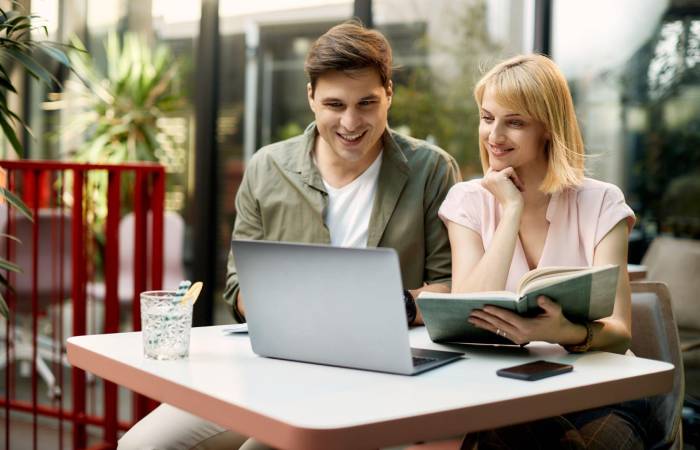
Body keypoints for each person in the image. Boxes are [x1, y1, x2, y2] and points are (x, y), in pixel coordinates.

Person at [118, 20, 460, 450]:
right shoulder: (267, 167)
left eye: (367, 103)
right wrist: (289, 312)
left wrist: (385, 309)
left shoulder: (431, 170)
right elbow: (237, 286)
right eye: (335, 104)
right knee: (142, 446)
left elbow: (450, 289)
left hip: (381, 376)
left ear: (388, 94)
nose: (351, 122)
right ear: (311, 97)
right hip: (274, 367)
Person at [438, 54, 652, 450]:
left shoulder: (602, 202)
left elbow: (620, 331)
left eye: (515, 122)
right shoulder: (466, 201)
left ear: (548, 129)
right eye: (487, 118)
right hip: (504, 387)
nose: (494, 135)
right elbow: (469, 314)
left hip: (598, 390)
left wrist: (564, 333)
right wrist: (511, 211)